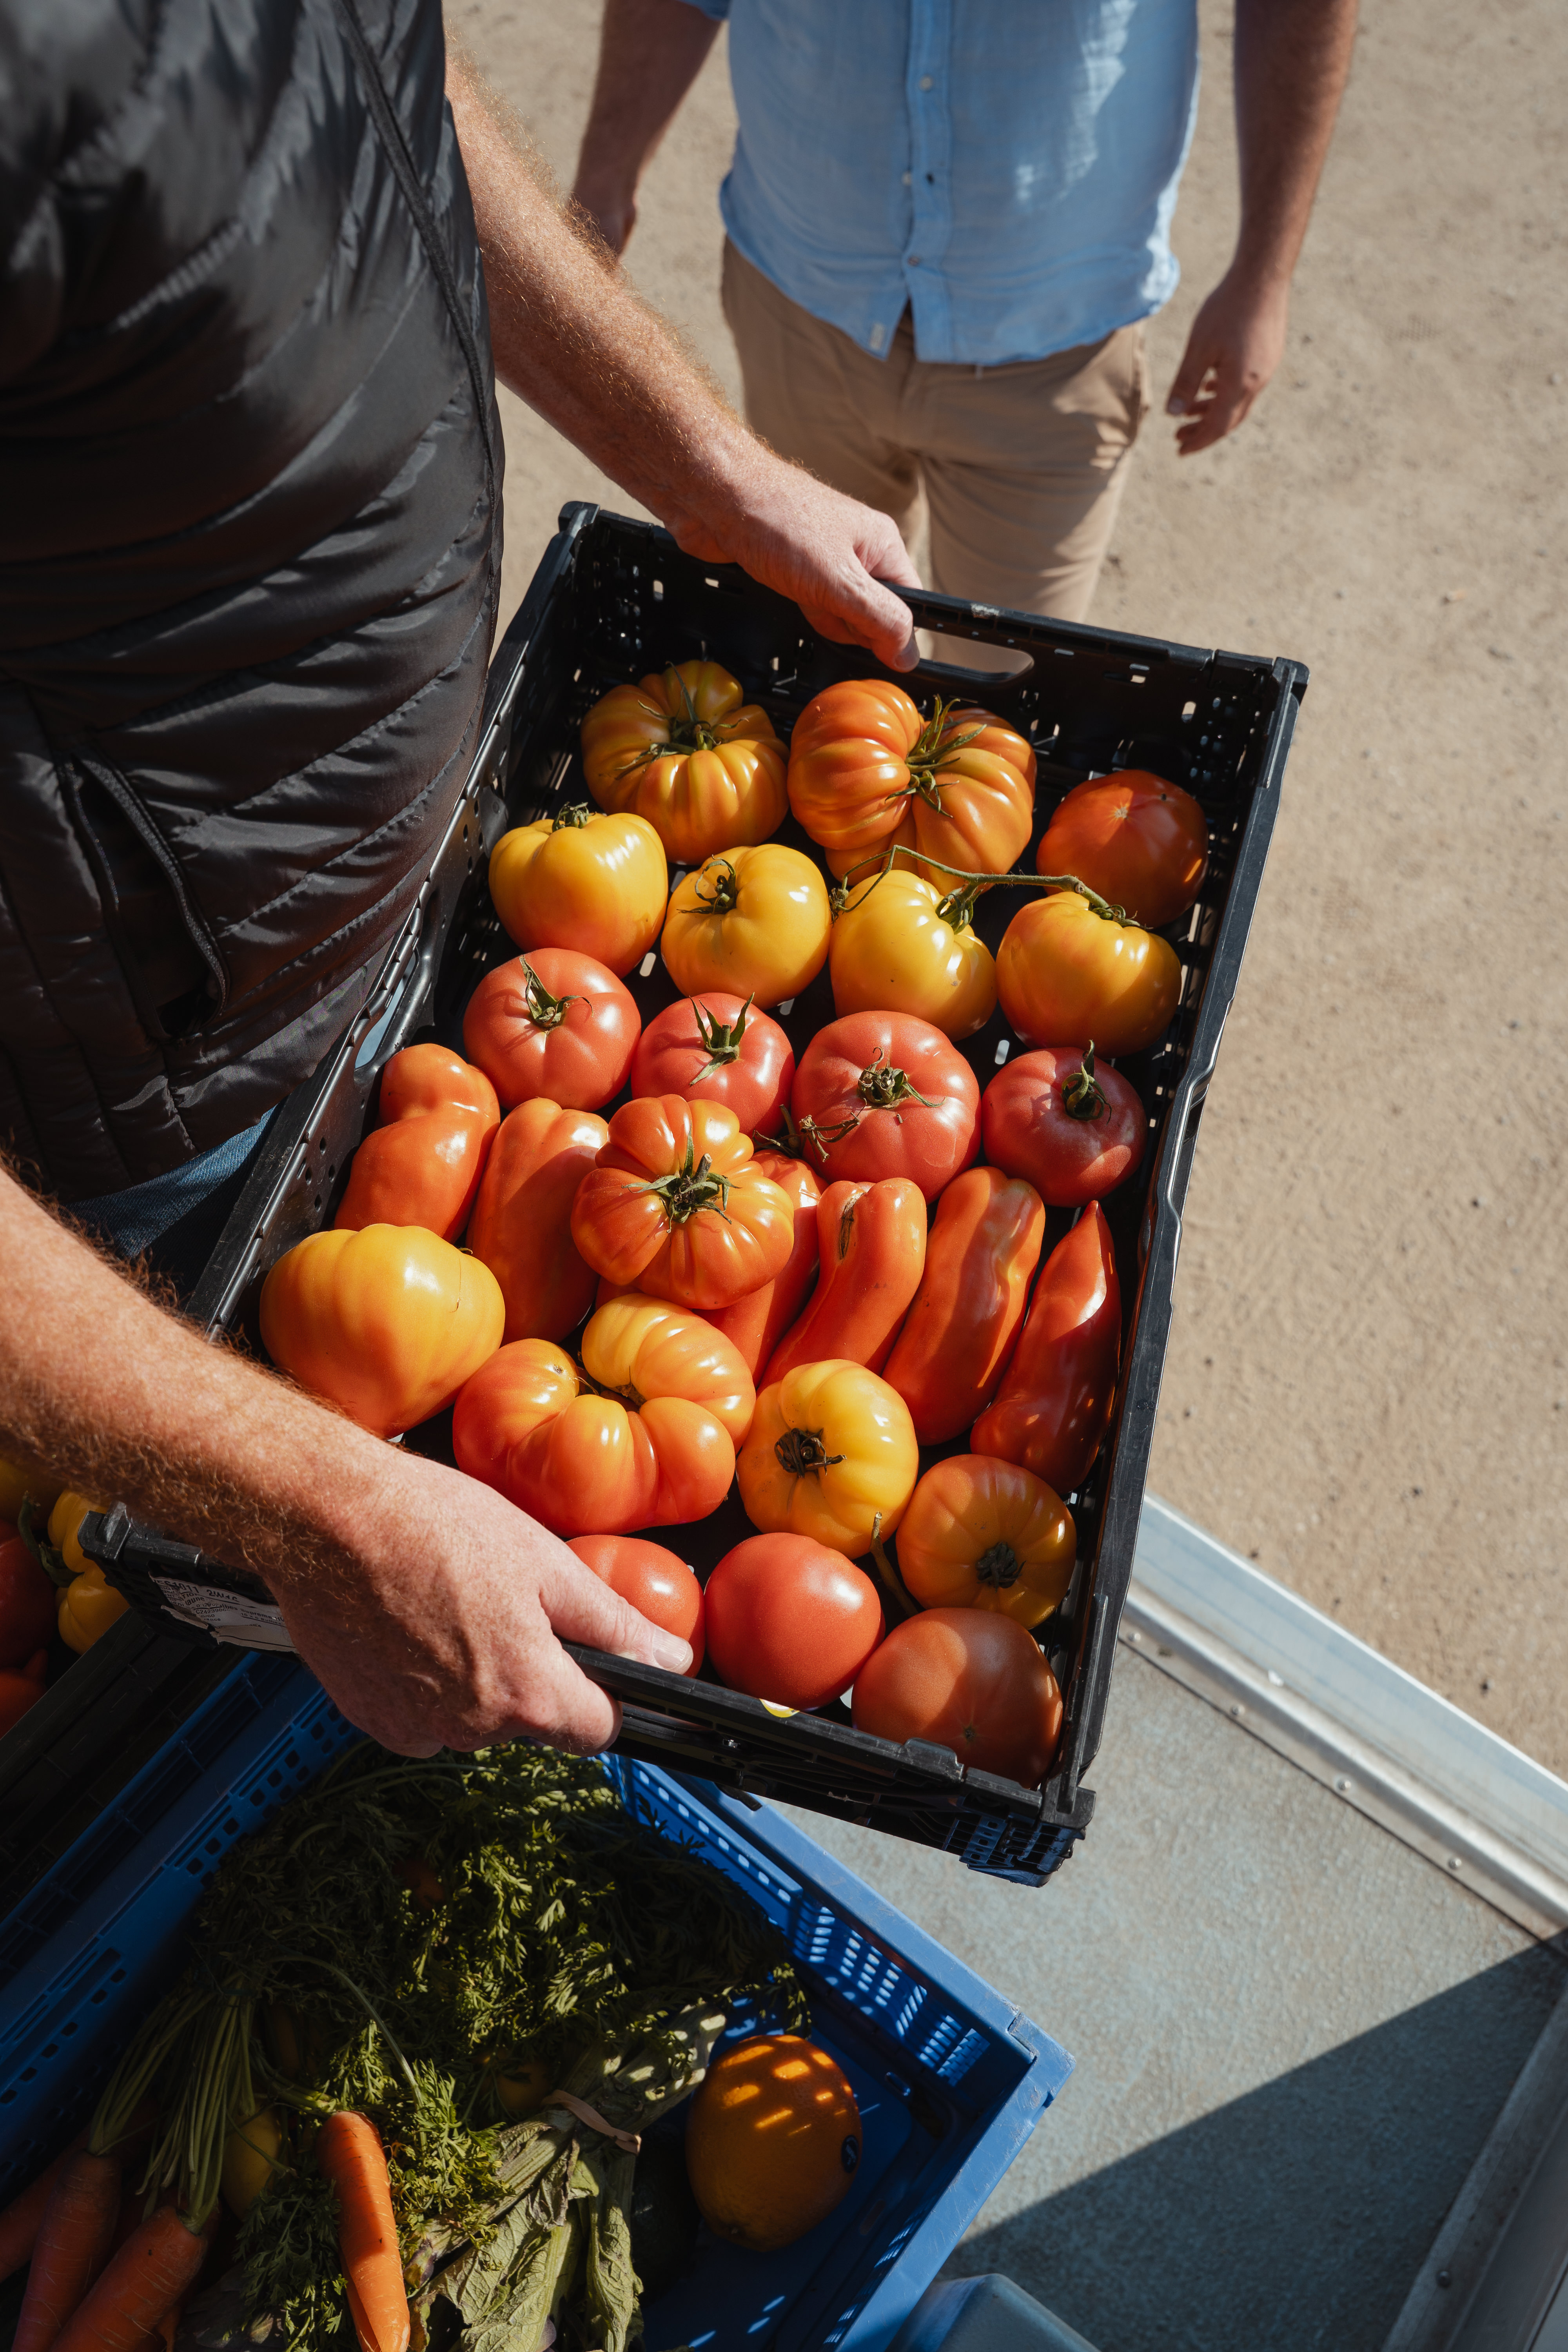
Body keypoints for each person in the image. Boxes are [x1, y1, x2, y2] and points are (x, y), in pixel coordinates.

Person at [0, 0, 921, 1760]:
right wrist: (316, 1509)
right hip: (167, 1046)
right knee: (303, 1628)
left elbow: (370, 85)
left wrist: (702, 466)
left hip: (434, 896)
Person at [572, 0, 1360, 626]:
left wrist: (1266, 273)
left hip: (1054, 352)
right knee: (820, 654)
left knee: (1000, 712)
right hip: (798, 303)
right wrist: (604, 174)